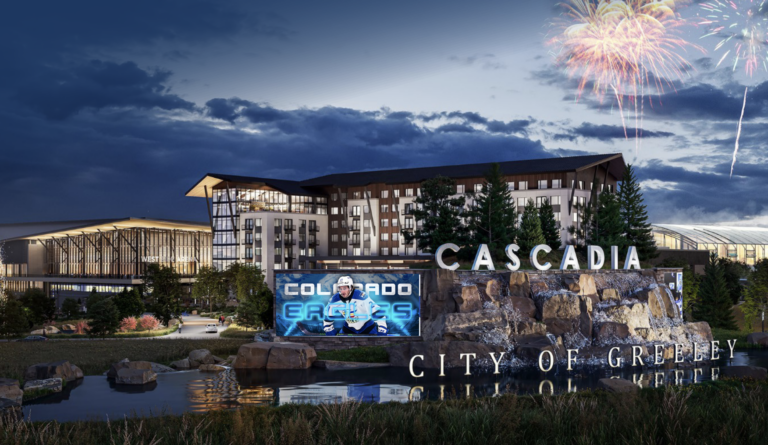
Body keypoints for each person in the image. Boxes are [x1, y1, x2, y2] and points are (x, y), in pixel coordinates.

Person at [323, 276, 387, 336]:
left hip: (367, 327)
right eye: (340, 288)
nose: (342, 291)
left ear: (350, 287)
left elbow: (376, 311)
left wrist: (382, 327)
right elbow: (328, 314)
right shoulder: (335, 299)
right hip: (348, 327)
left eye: (345, 288)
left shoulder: (361, 296)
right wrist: (328, 327)